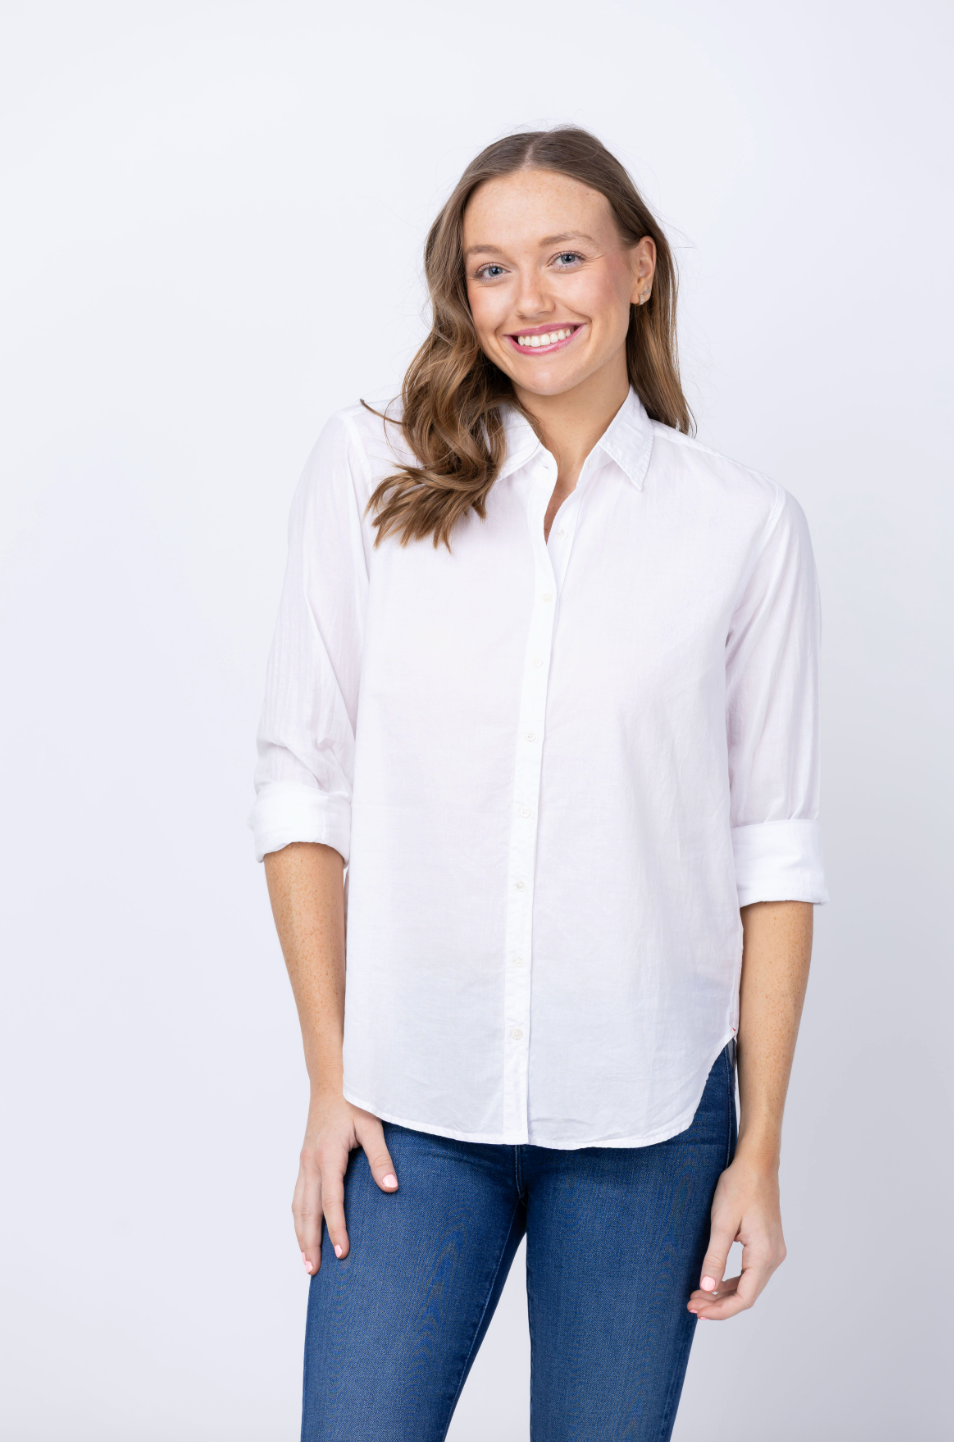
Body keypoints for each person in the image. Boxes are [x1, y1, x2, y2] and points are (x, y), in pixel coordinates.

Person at [251, 126, 827, 1442]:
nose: (529, 300)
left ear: (638, 268)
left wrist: (759, 1150)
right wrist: (331, 1074)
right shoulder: (372, 473)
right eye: (492, 269)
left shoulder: (740, 527)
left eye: (565, 257)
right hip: (409, 1105)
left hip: (648, 1117)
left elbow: (774, 852)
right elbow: (301, 790)